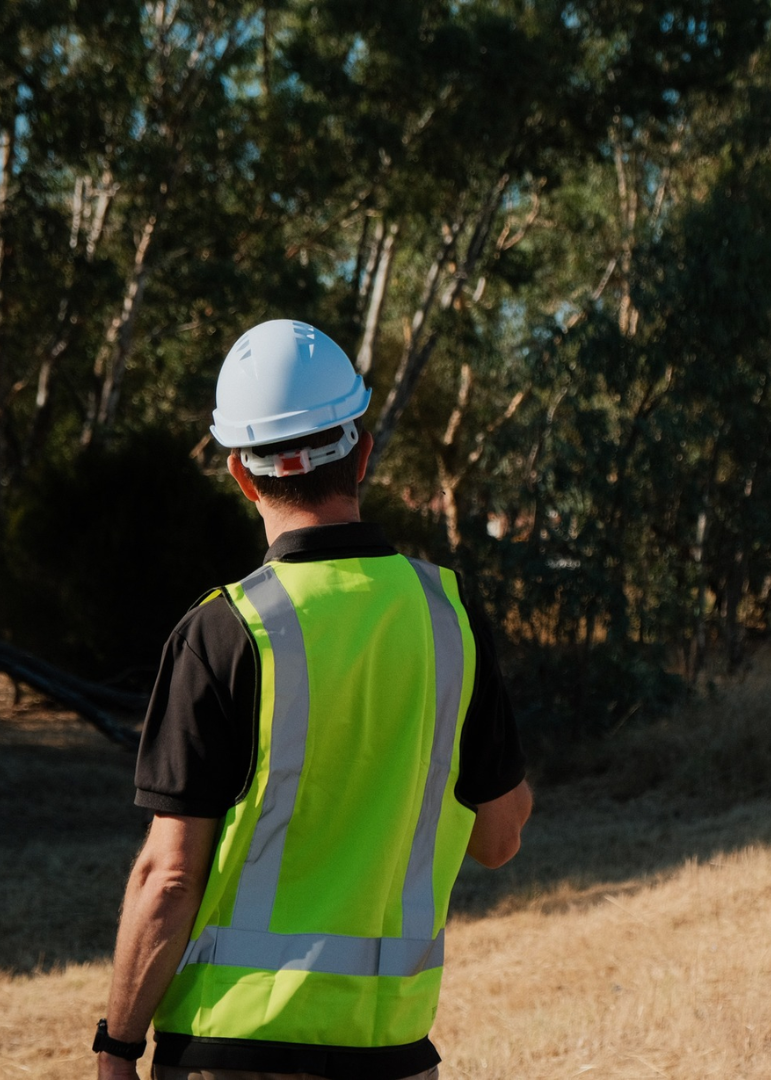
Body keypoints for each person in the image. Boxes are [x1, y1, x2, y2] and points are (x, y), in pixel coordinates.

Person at [94, 318, 532, 1080]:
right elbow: (498, 838)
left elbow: (168, 876)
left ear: (240, 474)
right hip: (392, 1052)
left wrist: (118, 1045)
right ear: (362, 454)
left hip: (232, 1051)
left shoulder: (223, 632)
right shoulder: (448, 618)